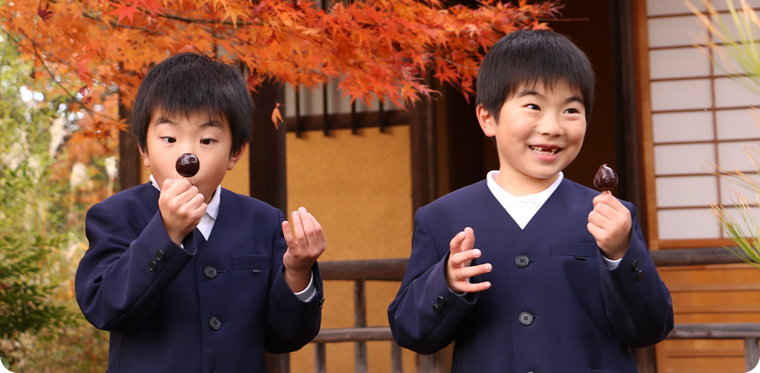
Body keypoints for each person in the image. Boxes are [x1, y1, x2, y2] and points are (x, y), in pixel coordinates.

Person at [388, 29, 673, 372]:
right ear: (488, 118)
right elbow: (411, 333)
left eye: (571, 110)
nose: (553, 127)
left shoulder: (612, 217)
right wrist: (446, 282)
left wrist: (620, 253)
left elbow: (650, 328)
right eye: (533, 106)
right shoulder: (442, 217)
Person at [76, 53, 326, 373]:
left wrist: (298, 272)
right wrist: (165, 233)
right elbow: (103, 308)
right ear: (144, 148)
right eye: (169, 138)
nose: (186, 155)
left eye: (207, 139)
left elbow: (286, 336)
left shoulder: (264, 221)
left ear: (235, 152)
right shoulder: (116, 215)